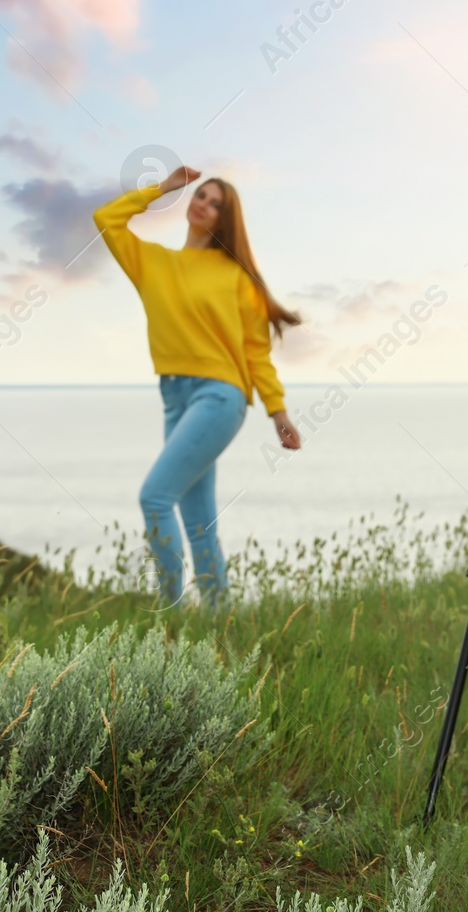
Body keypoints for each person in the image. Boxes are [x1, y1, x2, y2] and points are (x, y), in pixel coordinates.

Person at [94, 165, 302, 607]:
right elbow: (106, 219)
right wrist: (163, 188)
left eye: (215, 203)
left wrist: (277, 411)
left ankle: (166, 613)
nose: (203, 204)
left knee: (154, 497)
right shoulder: (153, 262)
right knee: (199, 524)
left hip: (220, 396)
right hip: (174, 398)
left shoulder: (236, 278)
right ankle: (219, 620)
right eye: (200, 196)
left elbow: (255, 353)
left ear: (225, 218)